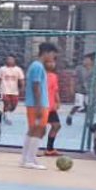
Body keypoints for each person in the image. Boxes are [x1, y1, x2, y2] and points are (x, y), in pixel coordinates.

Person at [22, 42, 57, 170]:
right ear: (46, 53)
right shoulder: (37, 66)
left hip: (37, 103)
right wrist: (38, 106)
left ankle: (26, 158)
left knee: (33, 130)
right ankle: (29, 159)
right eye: (53, 55)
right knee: (38, 130)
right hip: (37, 104)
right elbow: (35, 86)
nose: (53, 58)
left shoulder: (37, 66)